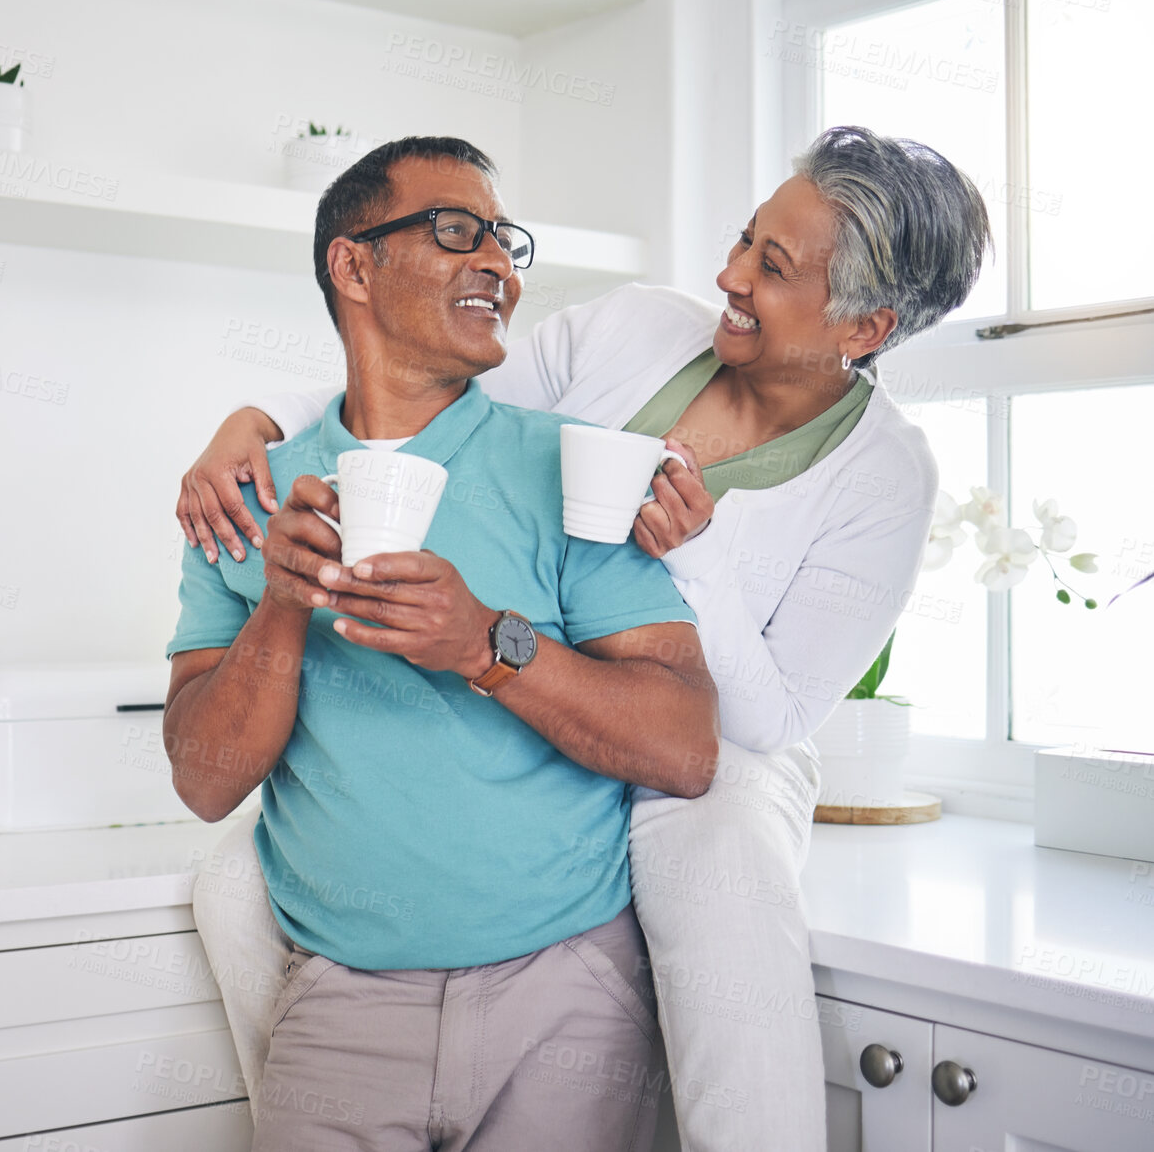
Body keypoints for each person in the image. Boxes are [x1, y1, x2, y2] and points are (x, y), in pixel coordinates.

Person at [181, 125, 989, 1150]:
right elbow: (427, 393)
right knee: (233, 876)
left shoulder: (886, 477)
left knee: (718, 858)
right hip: (554, 670)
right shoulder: (639, 330)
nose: (727, 274)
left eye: (771, 267)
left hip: (717, 744)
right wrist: (249, 422)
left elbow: (771, 717)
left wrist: (688, 555)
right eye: (746, 238)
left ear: (864, 327)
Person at [165, 135, 720, 1151]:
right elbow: (204, 781)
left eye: (507, 242)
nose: (500, 266)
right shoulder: (245, 503)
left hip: (566, 999)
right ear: (353, 265)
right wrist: (282, 605)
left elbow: (686, 744)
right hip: (339, 1007)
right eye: (458, 232)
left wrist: (486, 645)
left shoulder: (571, 470)